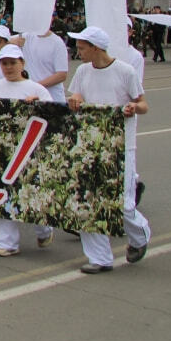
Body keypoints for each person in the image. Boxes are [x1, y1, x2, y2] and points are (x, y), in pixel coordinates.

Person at [67, 26, 150, 274]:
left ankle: (140, 236)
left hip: (122, 145)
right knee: (88, 200)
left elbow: (143, 103)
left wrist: (133, 108)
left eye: (82, 47)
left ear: (96, 48)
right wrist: (76, 101)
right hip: (90, 144)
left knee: (122, 204)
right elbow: (77, 95)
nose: (78, 51)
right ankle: (99, 258)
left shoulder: (125, 71)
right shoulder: (82, 71)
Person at [0, 44, 56, 255]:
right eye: (4, 63)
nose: (8, 67)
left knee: (29, 194)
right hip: (0, 149)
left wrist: (37, 106)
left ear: (22, 64)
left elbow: (52, 118)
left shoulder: (37, 89)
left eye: (13, 63)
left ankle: (44, 229)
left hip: (28, 150)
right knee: (0, 192)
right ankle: (6, 243)